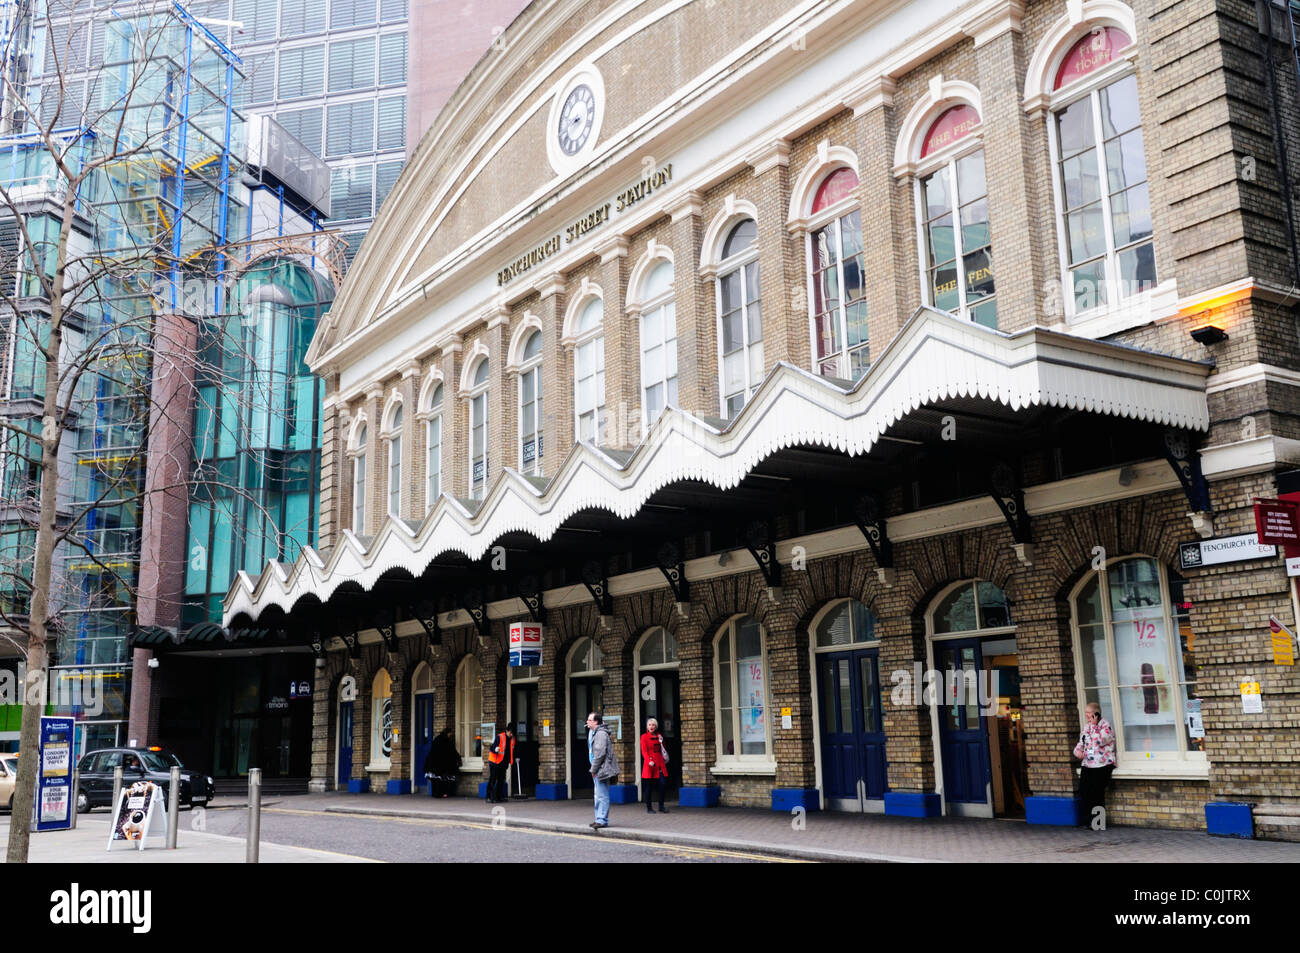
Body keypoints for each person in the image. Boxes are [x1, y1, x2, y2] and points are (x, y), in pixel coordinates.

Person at [1074, 701, 1116, 828]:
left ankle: (1098, 823)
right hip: (1088, 763)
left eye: (1089, 713)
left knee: (1097, 793)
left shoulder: (1105, 726)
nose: (1087, 715)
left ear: (1096, 714)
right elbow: (1080, 744)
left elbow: (1101, 741)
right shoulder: (1086, 727)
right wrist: (1078, 752)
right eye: (1086, 713)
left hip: (1102, 764)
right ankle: (1089, 820)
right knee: (1084, 791)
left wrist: (1095, 725)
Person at [587, 712, 619, 829]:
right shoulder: (593, 732)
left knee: (602, 795)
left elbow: (600, 754)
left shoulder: (600, 734)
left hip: (602, 769)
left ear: (595, 722)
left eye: (589, 720)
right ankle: (598, 818)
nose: (587, 722)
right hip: (598, 768)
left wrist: (593, 769)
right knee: (598, 795)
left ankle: (602, 820)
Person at [640, 717, 669, 813]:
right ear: (647, 727)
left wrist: (662, 742)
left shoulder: (659, 736)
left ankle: (661, 805)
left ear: (656, 726)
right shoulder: (644, 737)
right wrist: (648, 761)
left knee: (663, 783)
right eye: (649, 725)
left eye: (653, 725)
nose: (651, 726)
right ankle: (649, 807)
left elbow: (663, 749)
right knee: (649, 786)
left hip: (660, 762)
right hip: (650, 764)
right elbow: (644, 751)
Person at [423, 728, 460, 797]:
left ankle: (435, 793)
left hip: (433, 763)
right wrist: (458, 758)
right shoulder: (446, 741)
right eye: (450, 734)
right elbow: (451, 751)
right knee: (442, 780)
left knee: (435, 779)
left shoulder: (437, 739)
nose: (450, 735)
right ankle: (442, 793)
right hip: (441, 764)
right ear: (447, 733)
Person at [486, 723, 515, 803]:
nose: (511, 734)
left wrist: (510, 761)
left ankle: (498, 797)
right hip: (495, 761)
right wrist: (495, 749)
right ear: (506, 731)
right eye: (510, 733)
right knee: (493, 780)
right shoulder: (500, 737)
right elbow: (492, 748)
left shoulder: (512, 739)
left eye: (512, 733)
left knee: (501, 780)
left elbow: (511, 751)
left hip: (503, 762)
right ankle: (489, 797)